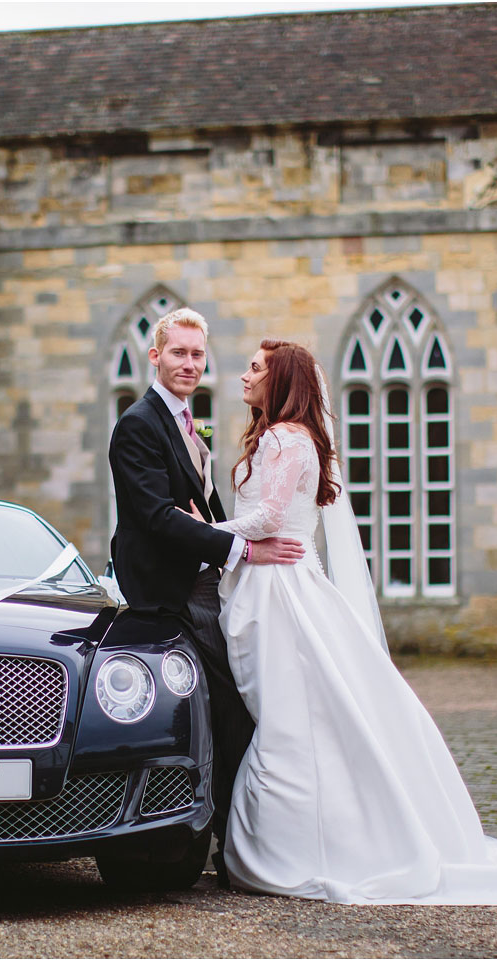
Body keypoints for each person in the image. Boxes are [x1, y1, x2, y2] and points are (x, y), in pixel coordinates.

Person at [183, 338, 497, 905]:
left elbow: (271, 518)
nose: (242, 375)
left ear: (280, 380)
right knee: (305, 716)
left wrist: (202, 531)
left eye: (255, 368)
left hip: (281, 592)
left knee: (290, 719)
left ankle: (304, 849)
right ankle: (326, 837)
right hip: (276, 585)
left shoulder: (286, 437)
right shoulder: (290, 437)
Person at [107, 309, 304, 887]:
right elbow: (157, 516)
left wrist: (225, 538)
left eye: (197, 355)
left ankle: (233, 838)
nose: (189, 364)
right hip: (169, 596)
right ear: (155, 356)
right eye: (179, 354)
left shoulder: (188, 423)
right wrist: (240, 550)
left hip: (205, 588)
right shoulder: (138, 424)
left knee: (236, 708)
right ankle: (210, 841)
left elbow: (203, 508)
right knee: (219, 713)